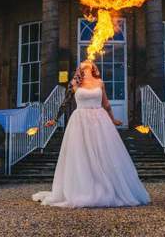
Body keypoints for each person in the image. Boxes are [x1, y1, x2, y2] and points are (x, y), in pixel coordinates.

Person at [31, 59, 151, 208]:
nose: (87, 62)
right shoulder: (75, 83)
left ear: (94, 68)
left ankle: (105, 188)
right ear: (79, 69)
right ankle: (83, 189)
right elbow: (65, 103)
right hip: (80, 121)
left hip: (100, 120)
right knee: (82, 155)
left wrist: (113, 119)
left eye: (90, 62)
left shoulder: (100, 82)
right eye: (84, 62)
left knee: (103, 154)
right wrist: (55, 120)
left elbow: (106, 104)